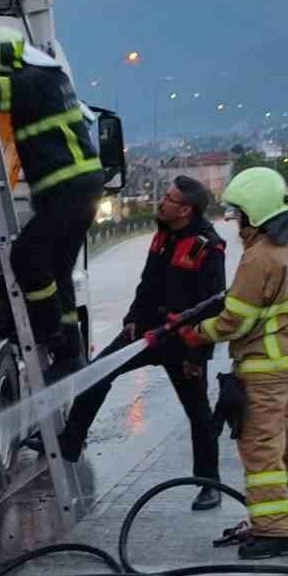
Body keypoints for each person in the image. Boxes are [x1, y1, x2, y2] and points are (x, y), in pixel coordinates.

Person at [0, 25, 104, 383]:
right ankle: (69, 353)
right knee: (58, 269)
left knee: (26, 257)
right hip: (78, 190)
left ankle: (51, 335)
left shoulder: (31, 80)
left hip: (66, 190)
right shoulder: (52, 76)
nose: (1, 78)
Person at [58, 176, 227, 510]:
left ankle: (209, 484)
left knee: (198, 414)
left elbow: (213, 305)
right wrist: (132, 319)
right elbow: (147, 283)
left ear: (186, 210)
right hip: (147, 331)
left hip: (182, 340)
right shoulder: (163, 236)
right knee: (98, 374)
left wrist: (197, 353)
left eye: (169, 198)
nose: (161, 202)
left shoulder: (208, 247)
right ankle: (71, 441)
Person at [178, 167, 288, 559]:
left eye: (239, 213)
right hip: (284, 364)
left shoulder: (259, 258)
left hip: (260, 367)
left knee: (260, 449)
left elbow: (235, 319)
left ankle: (273, 532)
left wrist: (197, 333)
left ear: (254, 212)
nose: (236, 221)